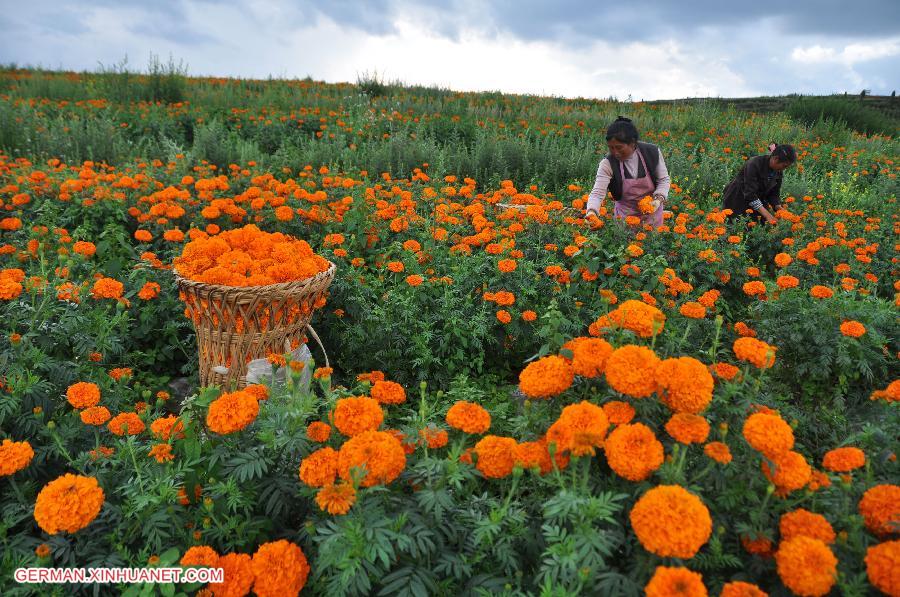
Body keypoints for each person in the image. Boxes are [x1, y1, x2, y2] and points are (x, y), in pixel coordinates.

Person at [585, 116, 670, 227]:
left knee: (654, 243)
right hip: (625, 219)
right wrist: (591, 212)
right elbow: (597, 194)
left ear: (633, 143)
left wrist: (658, 200)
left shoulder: (651, 152)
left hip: (653, 216)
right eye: (611, 148)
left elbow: (663, 180)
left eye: (619, 147)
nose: (615, 152)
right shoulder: (608, 164)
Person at [722, 143, 796, 224]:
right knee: (736, 225)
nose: (784, 169)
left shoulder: (778, 171)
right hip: (738, 199)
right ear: (776, 159)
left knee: (759, 226)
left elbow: (774, 194)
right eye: (784, 166)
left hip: (757, 201)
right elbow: (750, 194)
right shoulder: (754, 164)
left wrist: (779, 208)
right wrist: (768, 216)